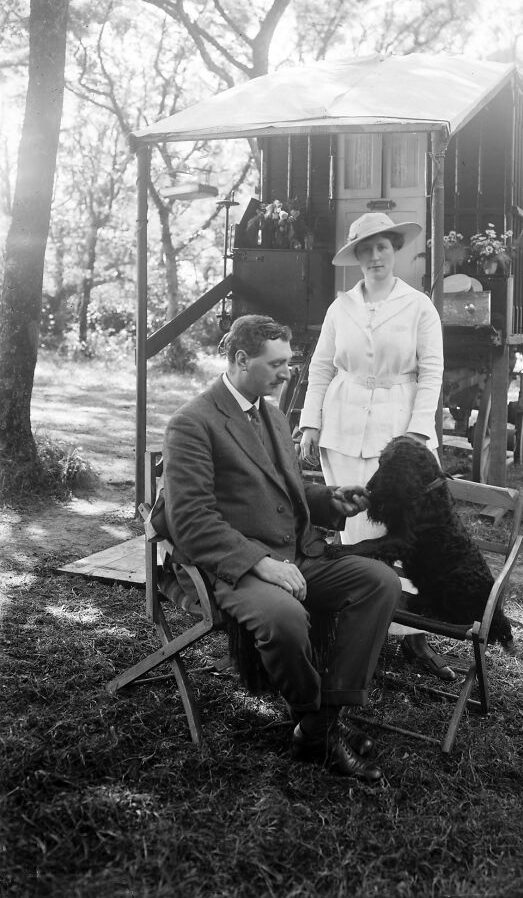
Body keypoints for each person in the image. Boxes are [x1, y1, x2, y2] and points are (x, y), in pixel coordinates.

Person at [162, 314, 402, 782]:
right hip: (235, 567)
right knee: (286, 619)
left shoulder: (271, 413)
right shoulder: (192, 423)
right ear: (240, 359)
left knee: (380, 582)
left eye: (288, 362)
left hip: (298, 555)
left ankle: (321, 722)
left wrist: (329, 501)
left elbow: (282, 493)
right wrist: (260, 564)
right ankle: (320, 727)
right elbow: (190, 520)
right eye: (276, 364)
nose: (287, 372)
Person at [298, 212, 456, 682]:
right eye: (365, 250)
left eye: (381, 247)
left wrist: (418, 433)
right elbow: (321, 367)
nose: (374, 258)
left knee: (406, 531)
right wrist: (310, 422)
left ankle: (415, 637)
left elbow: (432, 372)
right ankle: (359, 626)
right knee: (353, 527)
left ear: (395, 250)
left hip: (398, 432)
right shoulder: (341, 307)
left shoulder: (418, 306)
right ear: (356, 258)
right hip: (343, 426)